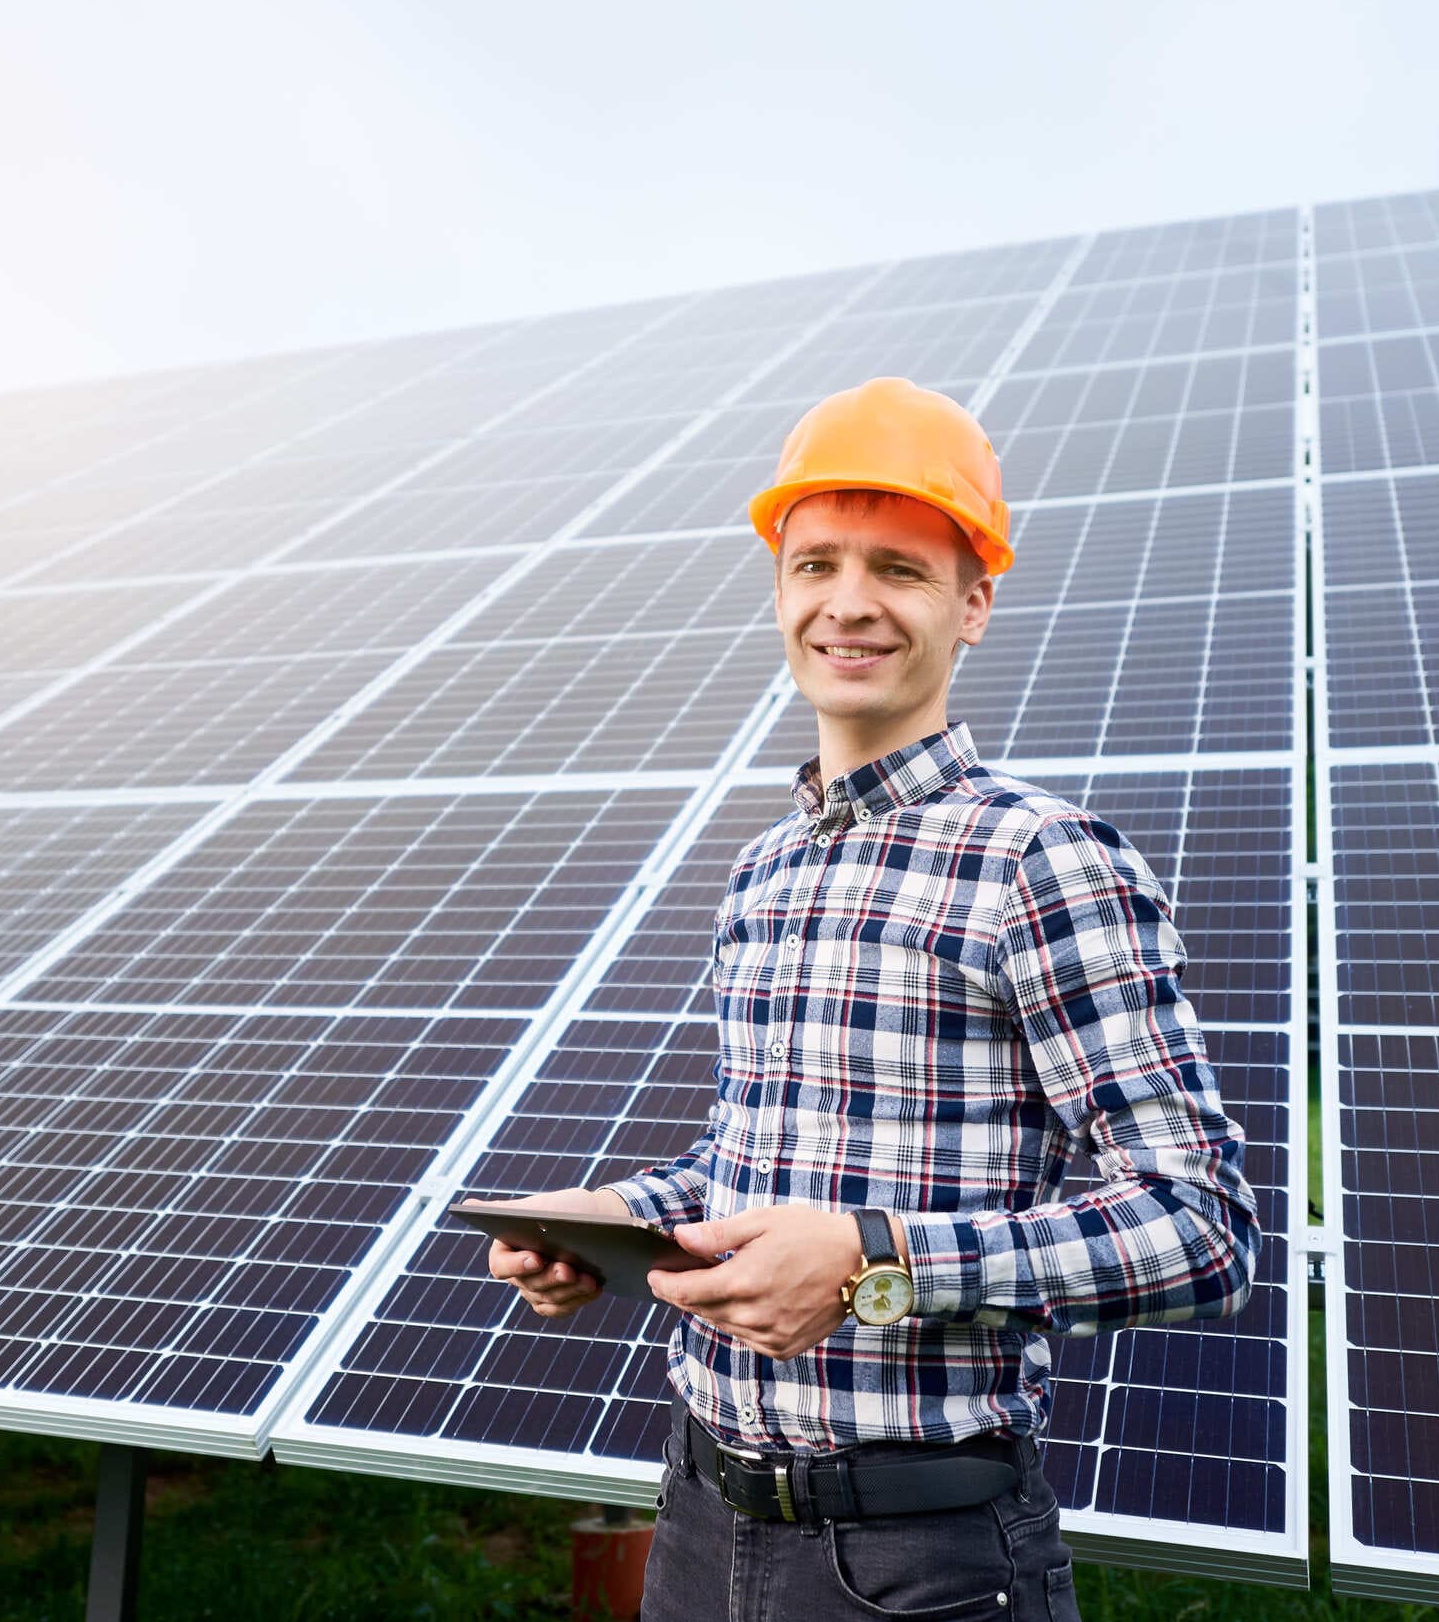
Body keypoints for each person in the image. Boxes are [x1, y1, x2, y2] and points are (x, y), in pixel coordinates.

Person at [483, 377, 1260, 1622]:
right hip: (698, 1514)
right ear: (781, 592)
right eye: (815, 564)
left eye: (898, 568)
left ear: (974, 605)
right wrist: (612, 1217)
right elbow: (754, 1165)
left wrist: (872, 1262)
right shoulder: (764, 871)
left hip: (920, 1558)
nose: (848, 602)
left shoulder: (1040, 859)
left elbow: (1203, 1227)